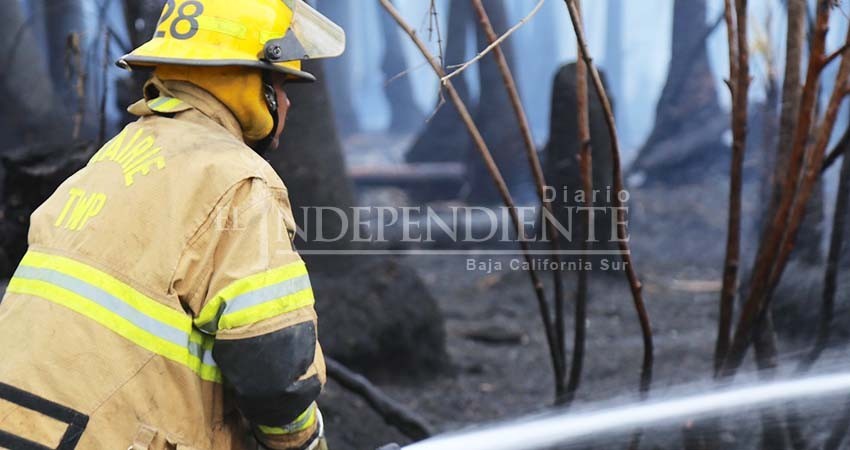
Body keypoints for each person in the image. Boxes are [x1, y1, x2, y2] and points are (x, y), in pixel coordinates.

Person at [0, 1, 344, 449]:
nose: (288, 100)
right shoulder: (237, 181)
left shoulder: (112, 159)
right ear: (246, 81)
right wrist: (306, 441)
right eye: (280, 82)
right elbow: (274, 366)